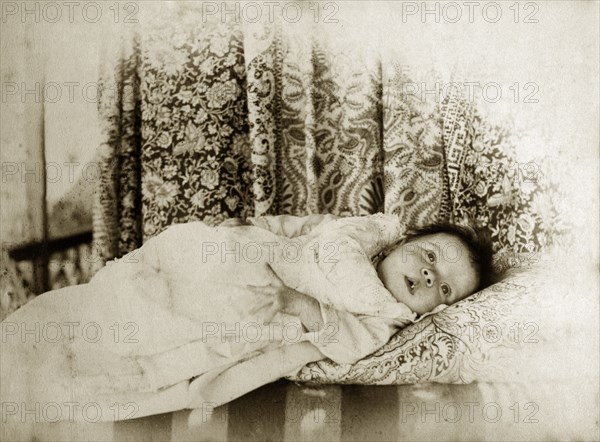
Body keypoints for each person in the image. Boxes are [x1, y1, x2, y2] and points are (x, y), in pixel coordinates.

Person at [0, 213, 497, 426]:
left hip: (258, 311)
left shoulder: (385, 318)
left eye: (445, 287)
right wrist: (245, 233)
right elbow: (290, 231)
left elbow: (344, 340)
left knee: (145, 343)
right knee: (127, 294)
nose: (428, 276)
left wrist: (304, 306)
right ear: (403, 243)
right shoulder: (353, 234)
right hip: (241, 261)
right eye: (429, 257)